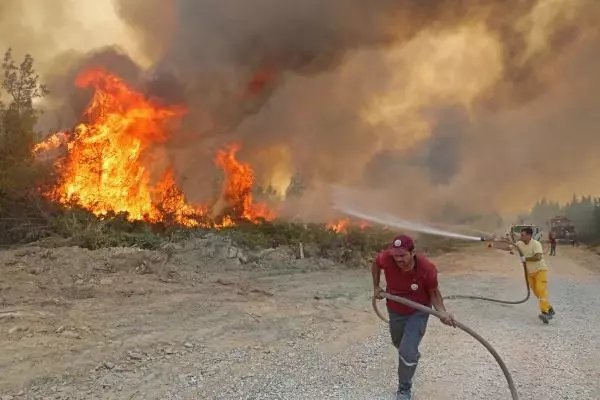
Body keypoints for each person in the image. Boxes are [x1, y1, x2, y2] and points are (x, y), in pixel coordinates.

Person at [372, 234, 456, 400]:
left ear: (413, 253)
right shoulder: (387, 258)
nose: (398, 259)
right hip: (395, 309)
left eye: (402, 255)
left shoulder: (427, 268)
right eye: (396, 255)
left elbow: (434, 293)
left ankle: (404, 389)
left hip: (418, 311)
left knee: (406, 350)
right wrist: (376, 286)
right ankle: (410, 355)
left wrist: (442, 312)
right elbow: (375, 263)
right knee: (398, 342)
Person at [516, 227, 556, 324]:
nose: (521, 236)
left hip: (540, 271)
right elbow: (508, 247)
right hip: (530, 273)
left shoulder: (536, 244)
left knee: (540, 290)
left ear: (529, 236)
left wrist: (525, 259)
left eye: (523, 235)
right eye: (521, 235)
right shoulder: (519, 244)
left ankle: (545, 313)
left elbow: (538, 257)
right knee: (537, 293)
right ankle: (550, 309)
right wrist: (493, 243)